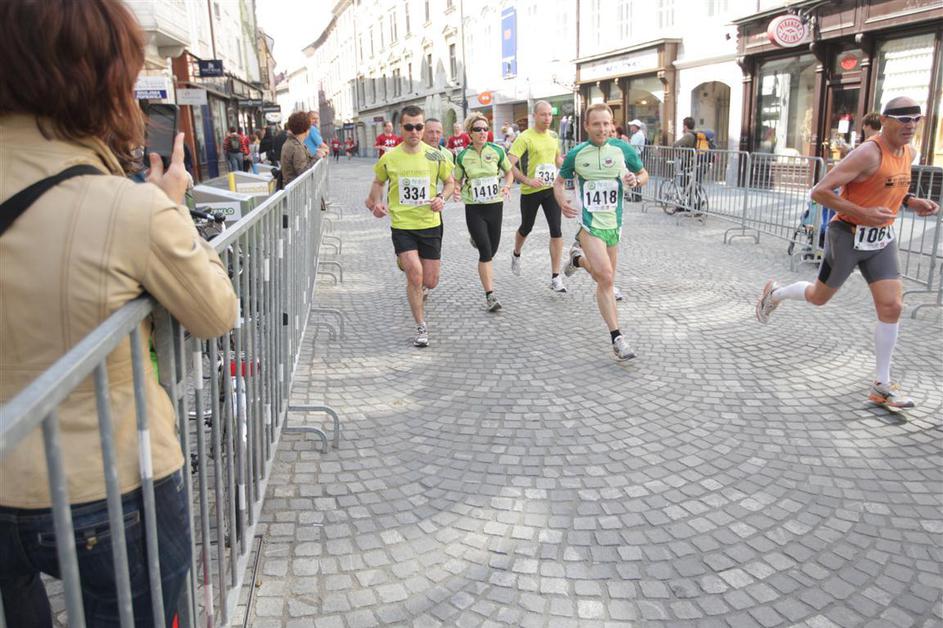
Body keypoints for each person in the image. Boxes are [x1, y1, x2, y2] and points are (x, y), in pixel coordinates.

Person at [0, 2, 238, 626]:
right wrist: (173, 205)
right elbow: (216, 312)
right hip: (107, 487)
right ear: (101, 77)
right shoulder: (126, 207)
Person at [755, 97, 939, 409]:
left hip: (881, 240)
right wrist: (863, 213)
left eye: (916, 119)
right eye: (903, 119)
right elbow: (820, 192)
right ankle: (776, 294)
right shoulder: (868, 152)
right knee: (818, 297)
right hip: (847, 236)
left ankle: (882, 384)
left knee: (892, 306)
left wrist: (911, 201)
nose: (911, 125)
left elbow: (889, 184)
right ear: (885, 120)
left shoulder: (909, 151)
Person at [554, 103, 649, 360]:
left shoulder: (623, 149)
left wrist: (636, 181)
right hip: (590, 225)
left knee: (604, 279)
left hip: (614, 226)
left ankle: (577, 260)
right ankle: (617, 337)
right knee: (606, 277)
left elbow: (643, 174)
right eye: (596, 124)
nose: (602, 128)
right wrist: (562, 201)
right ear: (586, 126)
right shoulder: (576, 154)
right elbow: (559, 182)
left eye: (606, 123)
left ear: (612, 125)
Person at [364, 106, 454, 347]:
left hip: (430, 223)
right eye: (409, 127)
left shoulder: (435, 156)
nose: (414, 131)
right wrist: (375, 203)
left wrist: (442, 198)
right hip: (402, 224)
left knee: (430, 281)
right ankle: (421, 327)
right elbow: (377, 183)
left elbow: (450, 183)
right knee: (415, 274)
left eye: (419, 127)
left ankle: (406, 263)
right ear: (401, 128)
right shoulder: (389, 157)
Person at [453, 113, 514, 311]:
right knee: (485, 252)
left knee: (492, 249)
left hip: (495, 206)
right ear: (469, 133)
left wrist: (507, 186)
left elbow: (509, 172)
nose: (482, 132)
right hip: (474, 207)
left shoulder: (497, 150)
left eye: (485, 129)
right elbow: (457, 180)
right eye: (478, 129)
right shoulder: (463, 156)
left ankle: (476, 239)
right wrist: (456, 189)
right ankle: (490, 296)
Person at [507, 100, 566, 291]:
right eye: (543, 114)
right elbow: (509, 163)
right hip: (531, 191)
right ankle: (516, 253)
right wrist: (527, 180)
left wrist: (567, 164)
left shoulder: (554, 136)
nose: (547, 118)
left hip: (550, 189)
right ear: (535, 116)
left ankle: (555, 277)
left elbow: (557, 160)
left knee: (556, 230)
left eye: (550, 114)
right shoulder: (524, 137)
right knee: (526, 227)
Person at [280, 111, 316, 185]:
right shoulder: (296, 147)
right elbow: (303, 172)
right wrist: (317, 157)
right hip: (297, 188)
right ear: (306, 129)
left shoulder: (291, 142)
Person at [627, 119, 646, 202]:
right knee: (635, 175)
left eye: (632, 126)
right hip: (636, 156)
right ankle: (635, 195)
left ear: (635, 127)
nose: (631, 128)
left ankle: (636, 196)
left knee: (636, 175)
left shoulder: (638, 135)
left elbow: (631, 146)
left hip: (636, 156)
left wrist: (626, 142)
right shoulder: (637, 134)